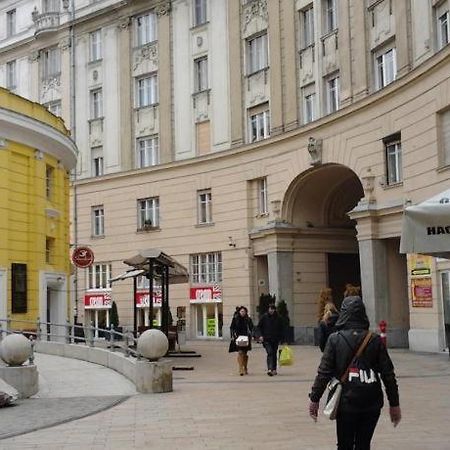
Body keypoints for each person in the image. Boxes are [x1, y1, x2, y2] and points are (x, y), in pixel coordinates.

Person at [308, 296, 401, 450]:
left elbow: (324, 372)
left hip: (346, 402)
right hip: (371, 401)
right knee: (364, 444)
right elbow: (388, 375)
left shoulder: (335, 340)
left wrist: (314, 398)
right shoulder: (374, 340)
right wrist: (394, 404)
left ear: (343, 313)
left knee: (344, 444)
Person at [256, 303, 283, 376]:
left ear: (275, 310)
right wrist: (260, 336)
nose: (271, 310)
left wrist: (281, 338)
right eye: (270, 309)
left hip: (275, 339)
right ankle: (270, 369)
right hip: (266, 339)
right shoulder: (264, 317)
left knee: (274, 353)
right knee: (270, 352)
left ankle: (274, 369)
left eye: (273, 309)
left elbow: (281, 328)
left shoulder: (278, 317)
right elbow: (259, 327)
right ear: (268, 309)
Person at [229, 306, 254, 376]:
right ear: (239, 312)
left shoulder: (248, 319)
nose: (243, 313)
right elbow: (232, 327)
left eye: (244, 311)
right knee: (240, 352)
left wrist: (252, 335)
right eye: (241, 311)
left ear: (246, 312)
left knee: (245, 354)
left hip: (246, 338)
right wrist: (232, 336)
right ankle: (240, 368)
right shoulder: (235, 319)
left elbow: (252, 328)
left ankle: (245, 367)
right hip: (238, 337)